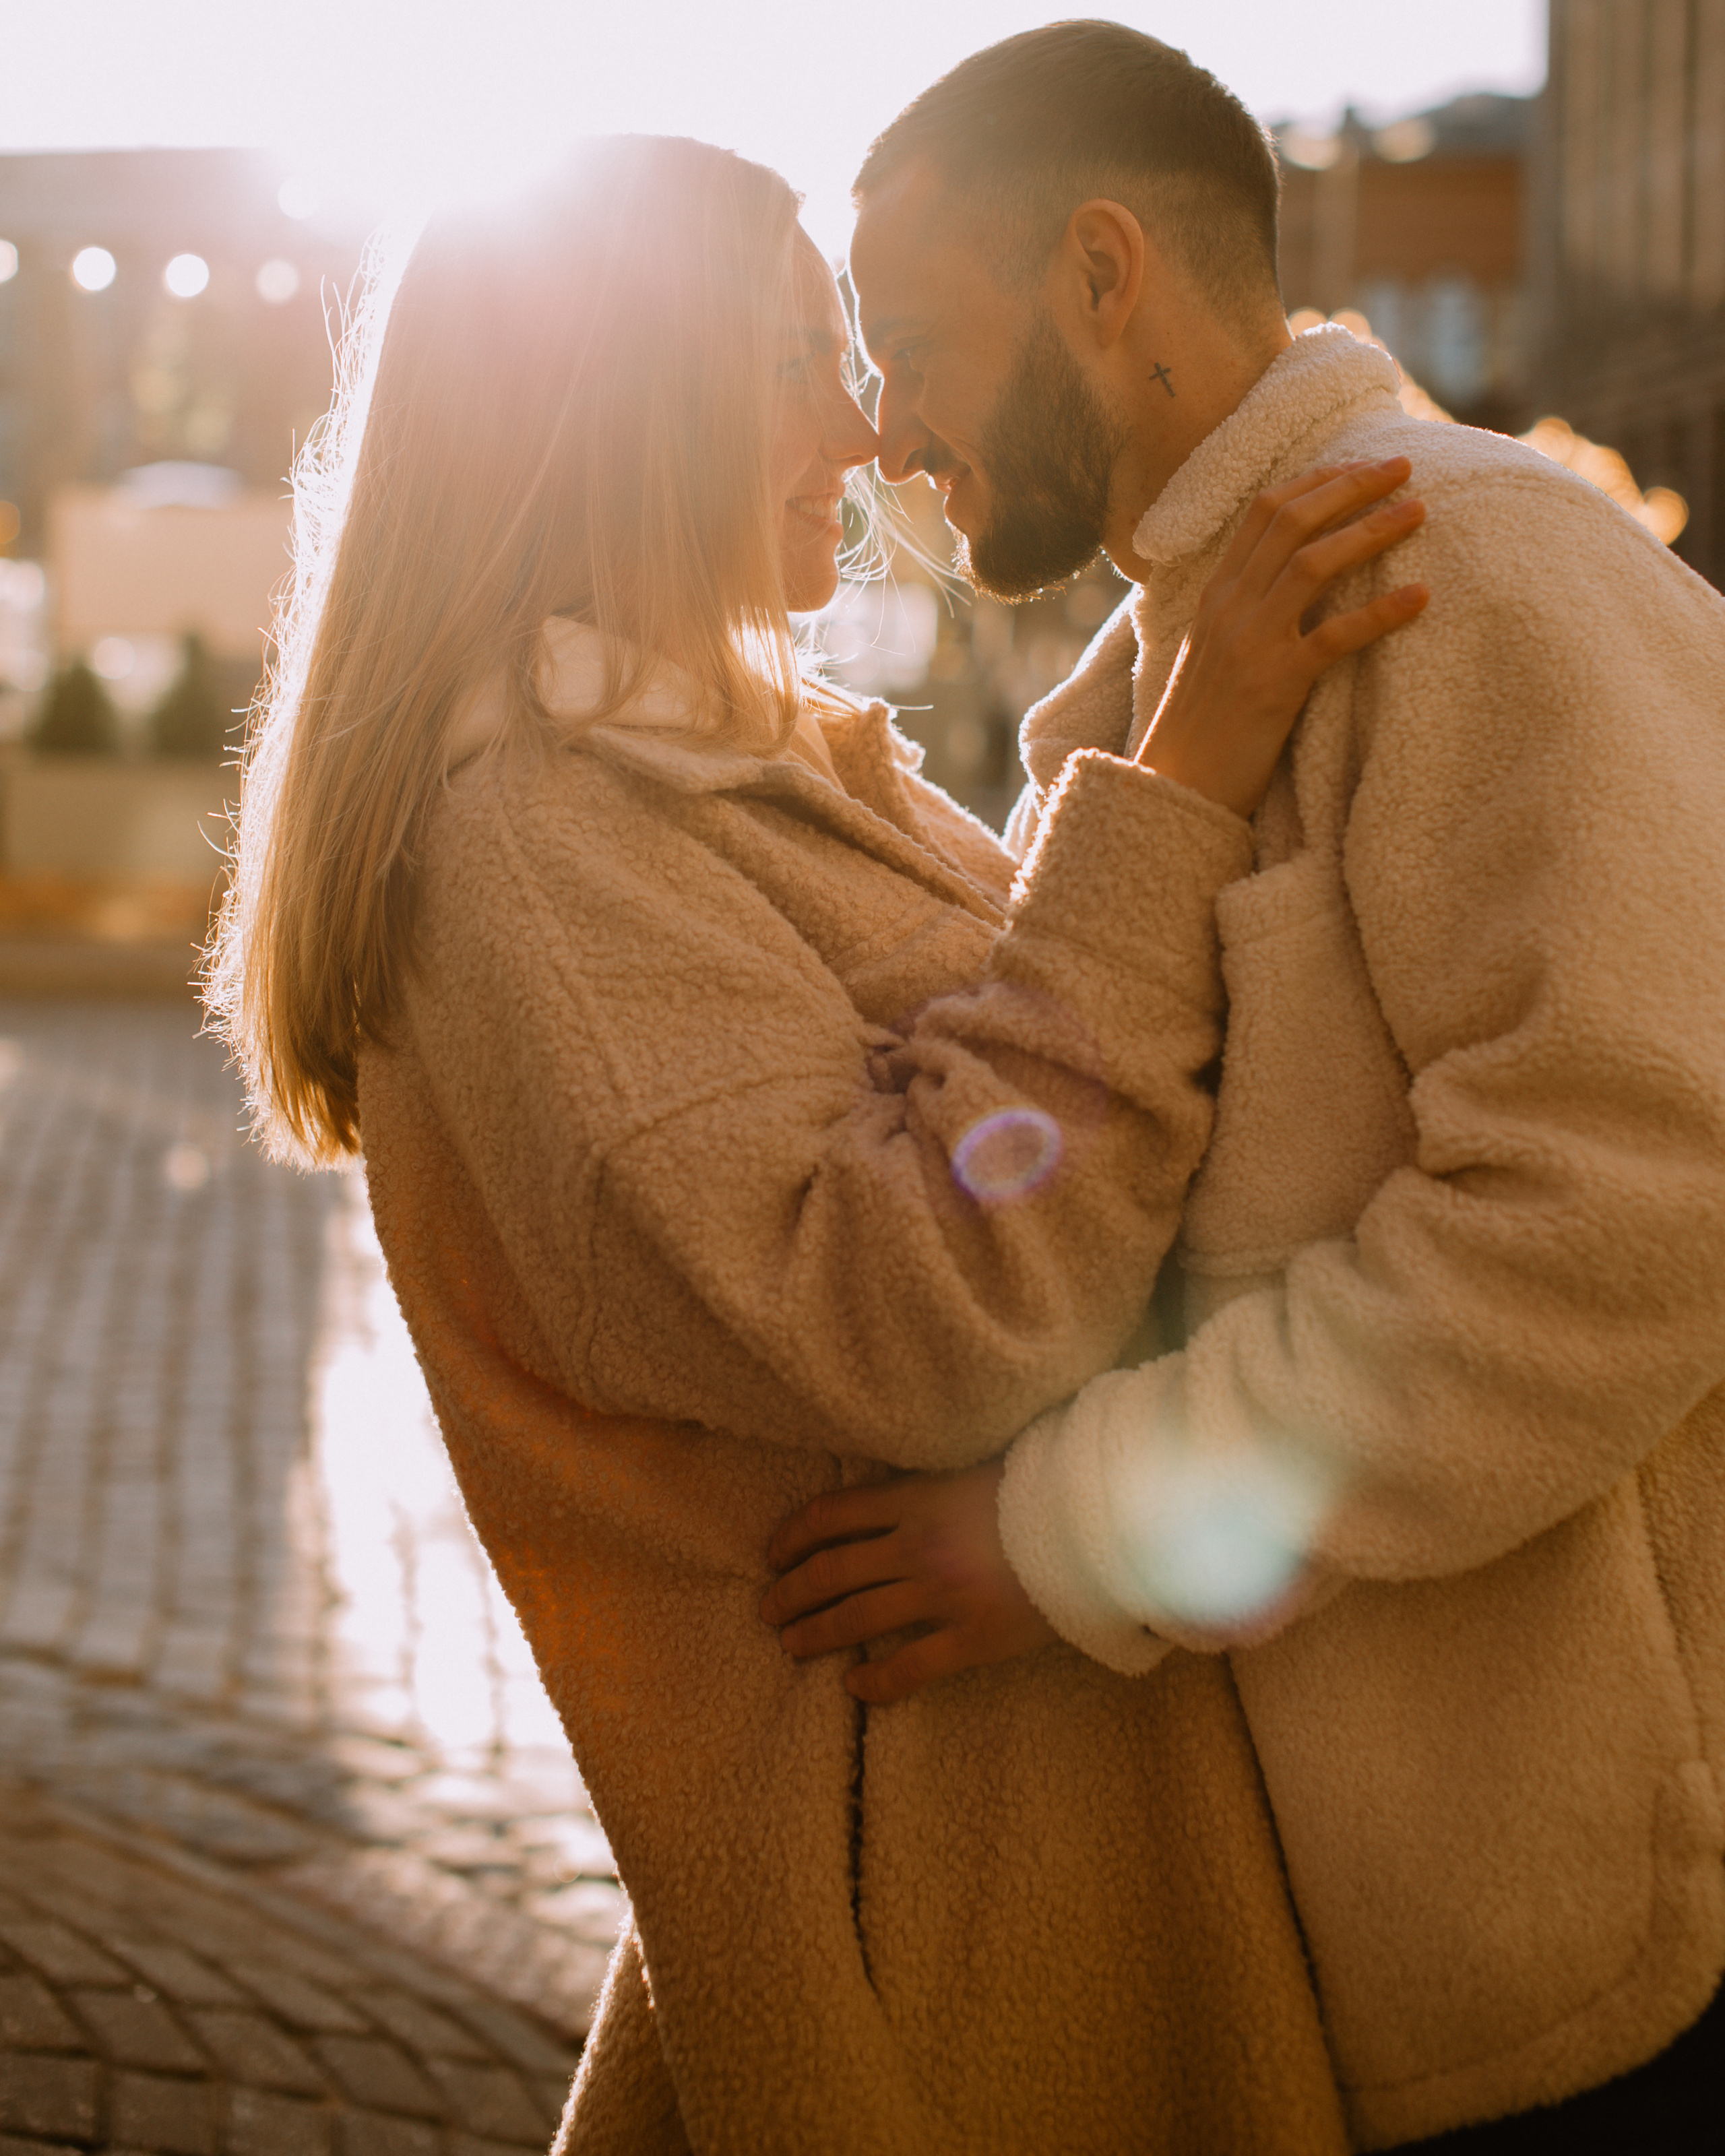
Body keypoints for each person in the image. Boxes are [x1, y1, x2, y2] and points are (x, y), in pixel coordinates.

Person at [207, 132, 1429, 2154]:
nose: (864, 421)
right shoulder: (536, 851)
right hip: (956, 1908)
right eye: (794, 357)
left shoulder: (706, 770)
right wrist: (1183, 778)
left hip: (1017, 1840)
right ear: (622, 400)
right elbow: (927, 1306)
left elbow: (1010, 1052)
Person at [763, 24, 1725, 2153]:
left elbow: (1631, 1210)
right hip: (1347, 1941)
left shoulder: (1460, 564)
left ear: (1106, 274)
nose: (887, 430)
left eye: (913, 343)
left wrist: (1071, 1537)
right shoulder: (1169, 663)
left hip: (1584, 1965)